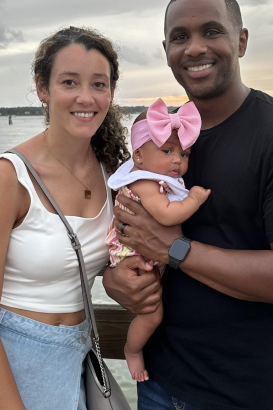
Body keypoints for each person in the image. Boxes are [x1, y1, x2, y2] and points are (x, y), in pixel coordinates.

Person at [103, 0, 273, 410]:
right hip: (159, 381)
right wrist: (114, 280)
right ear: (166, 48)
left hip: (252, 393)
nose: (194, 48)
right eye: (180, 37)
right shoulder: (160, 142)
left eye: (211, 31)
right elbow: (127, 230)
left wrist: (175, 249)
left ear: (241, 40)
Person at [0, 26, 130, 410]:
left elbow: (100, 255)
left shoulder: (113, 174)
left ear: (111, 92)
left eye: (99, 84)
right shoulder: (5, 178)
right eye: (69, 82)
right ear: (43, 88)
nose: (85, 97)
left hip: (68, 363)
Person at [105, 97, 210, 382]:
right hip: (134, 255)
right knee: (151, 315)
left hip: (147, 251)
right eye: (167, 151)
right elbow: (166, 216)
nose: (177, 159)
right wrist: (195, 199)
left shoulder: (151, 176)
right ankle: (132, 350)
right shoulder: (143, 182)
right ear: (138, 156)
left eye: (184, 154)